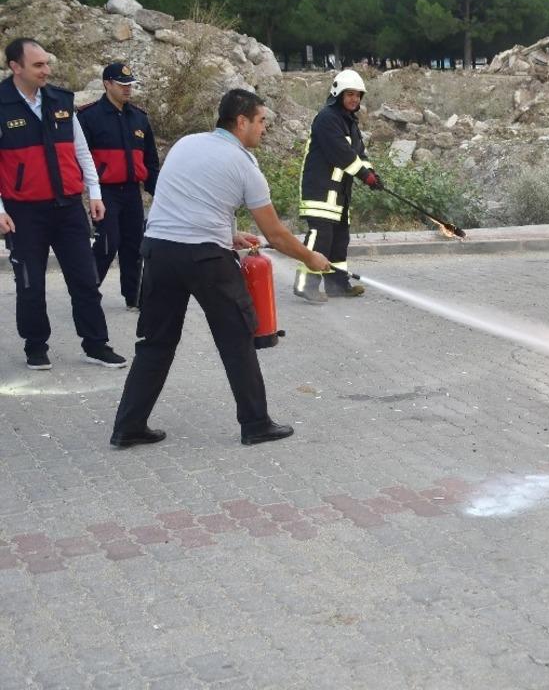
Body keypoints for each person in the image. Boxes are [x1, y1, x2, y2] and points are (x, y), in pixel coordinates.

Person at [110, 89, 332, 448]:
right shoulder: (244, 164)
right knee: (237, 339)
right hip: (205, 260)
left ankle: (128, 426)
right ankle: (256, 424)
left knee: (154, 342)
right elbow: (274, 233)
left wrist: (227, 233)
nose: (264, 129)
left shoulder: (186, 144)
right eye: (261, 122)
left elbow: (188, 197)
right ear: (240, 121)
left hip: (159, 252)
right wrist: (310, 258)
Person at [0, 37, 127, 371]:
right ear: (16, 67)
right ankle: (36, 346)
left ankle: (96, 344)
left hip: (68, 207)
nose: (47, 70)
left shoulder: (60, 100)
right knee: (31, 284)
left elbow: (81, 151)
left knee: (85, 280)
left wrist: (94, 194)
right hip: (23, 212)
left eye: (47, 63)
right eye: (38, 65)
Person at [293, 69, 381, 303]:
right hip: (320, 191)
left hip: (339, 194)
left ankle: (337, 285)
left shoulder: (350, 122)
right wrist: (364, 176)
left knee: (339, 239)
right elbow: (341, 154)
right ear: (337, 94)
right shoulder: (327, 118)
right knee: (320, 238)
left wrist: (371, 173)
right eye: (349, 94)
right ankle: (305, 284)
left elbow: (359, 153)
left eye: (358, 95)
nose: (354, 99)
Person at [78, 62, 160, 312]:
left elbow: (150, 160)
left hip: (132, 192)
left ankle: (133, 296)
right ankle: (87, 294)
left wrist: (157, 191)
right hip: (104, 193)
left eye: (130, 85)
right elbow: (79, 158)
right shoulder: (88, 116)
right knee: (107, 243)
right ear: (107, 84)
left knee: (134, 246)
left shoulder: (139, 117)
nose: (127, 89)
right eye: (122, 85)